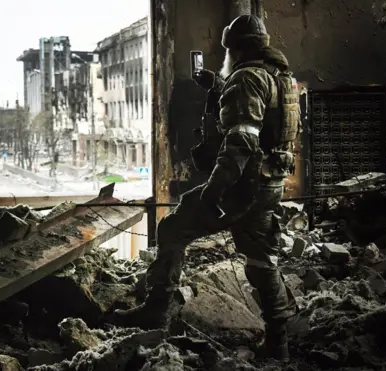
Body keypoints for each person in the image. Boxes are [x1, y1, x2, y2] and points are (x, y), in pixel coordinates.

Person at [114, 15, 300, 361]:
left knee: (171, 229)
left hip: (239, 188)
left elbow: (241, 141)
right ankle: (280, 342)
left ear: (235, 48)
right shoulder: (279, 77)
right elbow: (267, 123)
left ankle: (155, 310)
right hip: (269, 184)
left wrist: (213, 193)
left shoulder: (245, 79)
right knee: (261, 260)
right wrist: (217, 87)